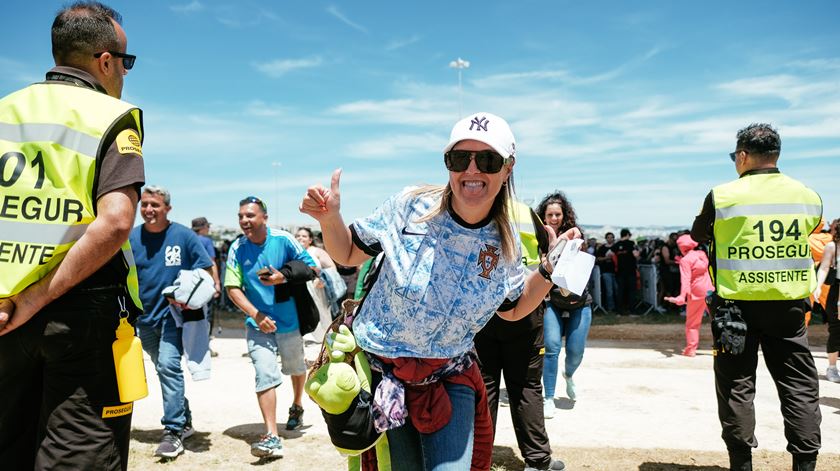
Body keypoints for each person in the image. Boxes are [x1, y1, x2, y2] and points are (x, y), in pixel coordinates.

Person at [300, 112, 577, 471]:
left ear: (508, 168)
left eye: (488, 160)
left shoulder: (504, 239)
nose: (472, 170)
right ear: (448, 164)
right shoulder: (411, 206)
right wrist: (329, 220)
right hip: (386, 372)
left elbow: (511, 306)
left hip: (449, 373)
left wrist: (549, 270)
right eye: (460, 158)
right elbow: (349, 252)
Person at [0, 3, 144, 469]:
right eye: (127, 61)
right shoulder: (111, 114)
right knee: (80, 457)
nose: (124, 72)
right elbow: (117, 221)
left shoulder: (5, 112)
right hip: (81, 317)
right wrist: (37, 298)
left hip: (3, 316)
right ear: (106, 61)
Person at [691, 123, 822, 471]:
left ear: (744, 156)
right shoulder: (808, 196)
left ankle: (741, 464)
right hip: (789, 308)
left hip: (736, 309)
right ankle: (805, 464)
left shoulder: (722, 195)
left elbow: (698, 233)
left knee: (736, 386)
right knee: (799, 387)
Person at [474, 200, 564, 471]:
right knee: (526, 386)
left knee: (484, 388)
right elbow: (546, 254)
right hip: (526, 306)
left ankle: (478, 461)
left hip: (483, 309)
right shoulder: (525, 212)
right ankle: (538, 461)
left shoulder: (472, 209)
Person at [225, 197, 318, 458]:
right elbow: (232, 288)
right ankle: (271, 435)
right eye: (241, 216)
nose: (244, 220)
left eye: (250, 215)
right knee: (264, 374)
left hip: (289, 321)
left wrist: (282, 275)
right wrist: (256, 314)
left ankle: (297, 405)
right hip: (257, 324)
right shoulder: (237, 248)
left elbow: (310, 267)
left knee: (296, 368)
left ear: (264, 217)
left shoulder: (283, 239)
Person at [130, 186, 213, 458]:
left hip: (173, 317)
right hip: (143, 318)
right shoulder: (131, 237)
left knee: (168, 366)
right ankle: (185, 418)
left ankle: (173, 432)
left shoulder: (183, 236)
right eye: (145, 205)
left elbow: (206, 269)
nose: (149, 210)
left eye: (155, 205)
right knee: (164, 369)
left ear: (167, 208)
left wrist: (196, 294)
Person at [536, 192, 593, 415]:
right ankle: (548, 397)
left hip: (579, 302)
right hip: (552, 302)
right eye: (549, 214)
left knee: (575, 351)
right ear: (544, 216)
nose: (553, 218)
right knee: (551, 348)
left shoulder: (576, 237)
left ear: (564, 215)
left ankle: (568, 375)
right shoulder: (540, 237)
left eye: (557, 214)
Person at [663, 234, 713, 357]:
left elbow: (685, 280)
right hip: (710, 290)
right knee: (717, 320)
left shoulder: (685, 261)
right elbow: (702, 268)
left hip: (696, 293)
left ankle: (691, 349)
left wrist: (681, 296)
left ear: (681, 247)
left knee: (692, 324)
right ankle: (722, 347)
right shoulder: (702, 254)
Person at [296, 227, 346, 340]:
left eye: (304, 236)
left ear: (310, 239)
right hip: (300, 288)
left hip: (318, 288)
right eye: (298, 236)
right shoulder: (294, 251)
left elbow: (332, 268)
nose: (300, 238)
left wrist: (323, 280)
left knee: (321, 313)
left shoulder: (317, 251)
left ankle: (325, 338)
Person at [813, 218, 840, 383]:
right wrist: (818, 286)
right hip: (837, 291)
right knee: (836, 330)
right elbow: (824, 267)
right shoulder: (832, 246)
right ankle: (832, 367)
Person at [613, 228, 640, 313]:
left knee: (620, 291)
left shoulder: (616, 245)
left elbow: (610, 254)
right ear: (628, 235)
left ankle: (620, 310)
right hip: (631, 271)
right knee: (632, 291)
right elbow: (636, 255)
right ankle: (632, 309)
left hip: (620, 271)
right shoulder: (631, 243)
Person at [595, 232, 617, 311]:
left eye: (611, 237)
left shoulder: (616, 247)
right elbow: (598, 258)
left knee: (617, 290)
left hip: (616, 272)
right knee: (609, 290)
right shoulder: (602, 248)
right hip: (606, 271)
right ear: (606, 238)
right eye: (608, 237)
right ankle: (611, 307)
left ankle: (617, 306)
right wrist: (606, 258)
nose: (610, 239)